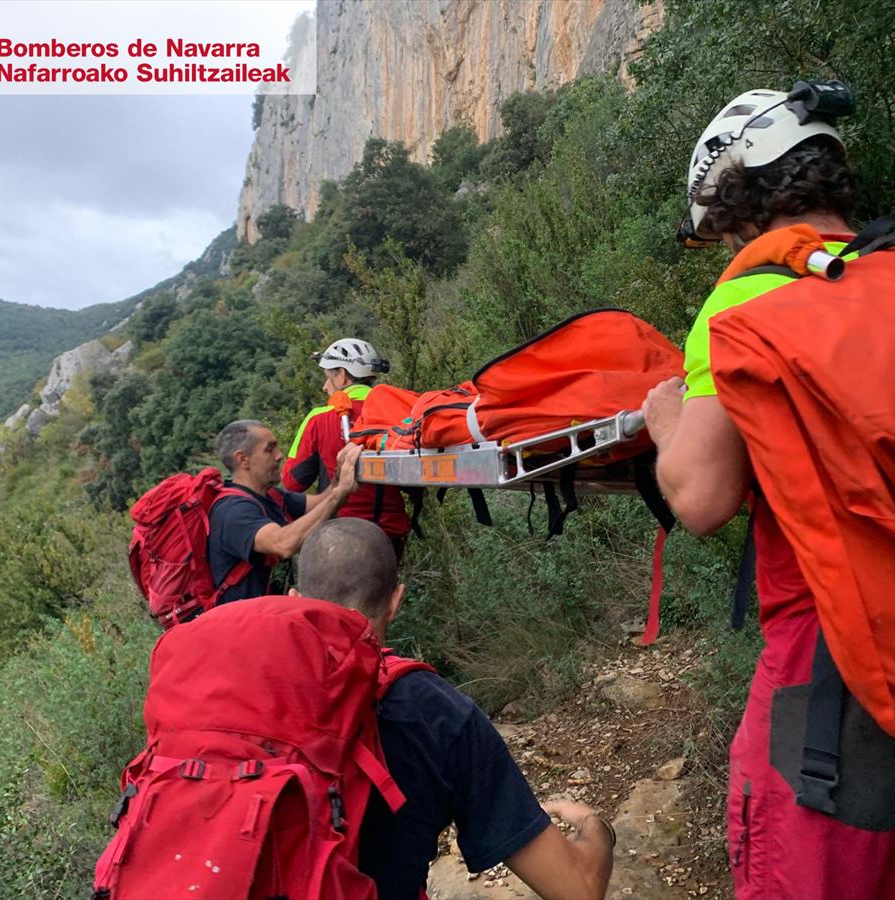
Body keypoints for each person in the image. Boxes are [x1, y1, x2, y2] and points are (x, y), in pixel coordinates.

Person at [641, 86, 895, 899]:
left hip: (841, 675)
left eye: (719, 232)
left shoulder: (752, 296)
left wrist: (668, 419)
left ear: (739, 199)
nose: (722, 251)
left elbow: (703, 497)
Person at [290, 517, 614, 900]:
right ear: (396, 600)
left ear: (294, 600)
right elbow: (578, 890)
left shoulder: (227, 694)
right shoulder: (438, 713)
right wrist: (597, 827)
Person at [282, 338, 411, 556]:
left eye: (327, 378)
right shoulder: (398, 413)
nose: (325, 387)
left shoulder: (319, 419)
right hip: (389, 537)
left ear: (342, 375)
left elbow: (292, 482)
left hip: (337, 538)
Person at [207, 418, 360, 603]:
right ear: (243, 459)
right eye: (269, 449)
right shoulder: (232, 511)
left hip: (271, 615)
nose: (279, 455)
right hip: (243, 623)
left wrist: (339, 475)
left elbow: (321, 502)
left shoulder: (272, 496)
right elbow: (283, 544)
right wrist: (339, 494)